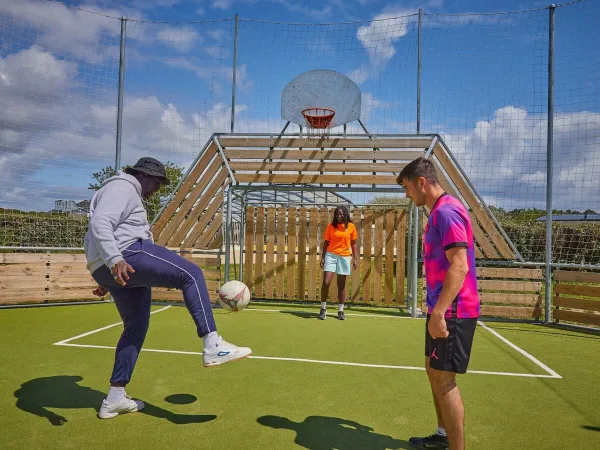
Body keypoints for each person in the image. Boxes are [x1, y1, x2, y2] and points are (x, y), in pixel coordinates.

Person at [85, 156, 251, 420]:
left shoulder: (126, 193)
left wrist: (107, 269)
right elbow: (100, 223)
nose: (157, 189)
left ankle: (115, 397)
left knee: (135, 328)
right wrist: (114, 259)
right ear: (144, 175)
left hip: (112, 268)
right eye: (157, 183)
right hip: (127, 254)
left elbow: (102, 229)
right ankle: (212, 344)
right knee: (191, 274)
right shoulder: (122, 187)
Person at [397, 157, 480, 450]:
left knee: (445, 381)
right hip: (441, 309)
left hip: (453, 310)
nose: (407, 195)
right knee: (434, 371)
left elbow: (459, 266)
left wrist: (441, 312)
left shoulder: (447, 212)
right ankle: (443, 437)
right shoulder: (437, 213)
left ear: (422, 182)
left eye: (407, 188)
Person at [319, 206, 359, 321]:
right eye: (337, 214)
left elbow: (354, 244)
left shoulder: (351, 227)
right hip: (331, 255)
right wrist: (323, 258)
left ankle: (341, 310)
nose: (339, 216)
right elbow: (326, 243)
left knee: (341, 285)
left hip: (345, 257)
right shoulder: (330, 227)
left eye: (341, 214)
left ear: (345, 214)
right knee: (326, 282)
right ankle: (323, 308)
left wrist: (355, 259)